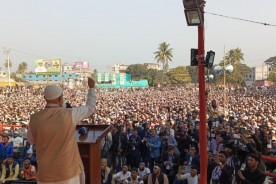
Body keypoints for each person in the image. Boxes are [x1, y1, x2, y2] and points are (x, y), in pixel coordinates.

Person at [27, 77, 96, 184]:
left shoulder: (34, 118)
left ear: (45, 98)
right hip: (67, 172)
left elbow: (31, 141)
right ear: (61, 98)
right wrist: (91, 88)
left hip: (45, 174)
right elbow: (90, 107)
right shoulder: (69, 114)